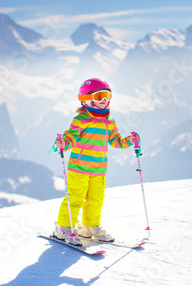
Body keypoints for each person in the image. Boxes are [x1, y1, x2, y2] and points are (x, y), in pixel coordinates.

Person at [52, 78, 136, 245]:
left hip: (99, 169)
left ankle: (89, 227)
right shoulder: (81, 120)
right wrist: (64, 144)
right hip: (79, 168)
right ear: (87, 99)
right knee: (75, 198)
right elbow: (71, 137)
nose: (104, 100)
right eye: (99, 96)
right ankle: (63, 227)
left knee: (96, 199)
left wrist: (129, 141)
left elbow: (115, 141)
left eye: (107, 95)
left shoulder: (109, 122)